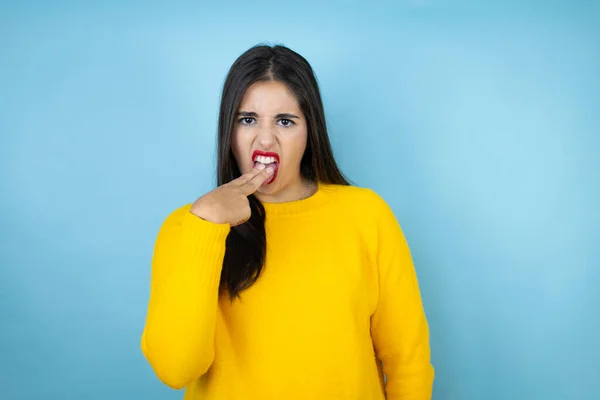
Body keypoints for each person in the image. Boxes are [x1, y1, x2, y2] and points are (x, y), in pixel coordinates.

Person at [140, 44, 434, 399]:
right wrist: (207, 226)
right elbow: (176, 369)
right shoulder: (187, 227)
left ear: (310, 130)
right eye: (247, 119)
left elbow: (408, 361)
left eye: (285, 121)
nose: (266, 139)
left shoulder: (366, 215)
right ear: (228, 131)